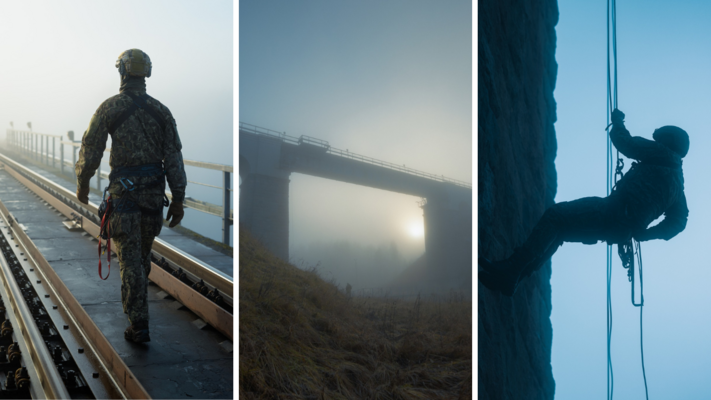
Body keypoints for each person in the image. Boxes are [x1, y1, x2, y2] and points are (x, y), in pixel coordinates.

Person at [479, 109, 689, 296]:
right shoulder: (678, 188)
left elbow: (626, 143)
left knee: (556, 217)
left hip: (611, 211)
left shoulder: (662, 153)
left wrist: (618, 122)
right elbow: (678, 222)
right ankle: (512, 277)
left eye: (660, 138)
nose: (657, 141)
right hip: (620, 231)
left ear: (668, 141)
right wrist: (644, 234)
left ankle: (512, 270)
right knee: (561, 231)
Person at [75, 49, 187, 342]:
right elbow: (173, 158)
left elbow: (90, 150)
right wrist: (178, 198)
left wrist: (83, 185)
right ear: (146, 73)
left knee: (130, 262)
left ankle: (139, 325)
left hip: (123, 198)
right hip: (152, 200)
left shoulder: (109, 108)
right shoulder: (162, 112)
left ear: (122, 72)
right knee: (141, 258)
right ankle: (139, 317)